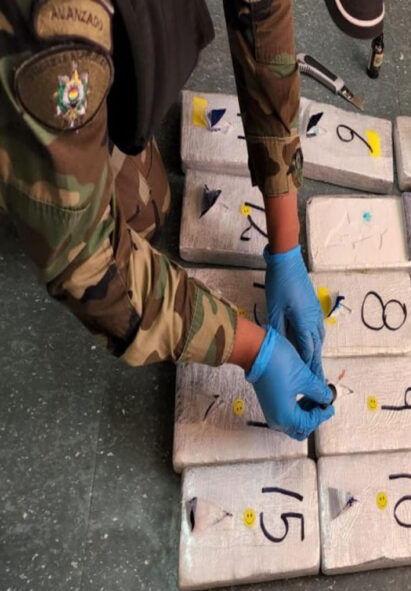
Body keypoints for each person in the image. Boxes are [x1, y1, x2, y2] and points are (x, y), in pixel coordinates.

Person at [0, 0, 337, 440]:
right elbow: (90, 264)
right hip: (29, 55)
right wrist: (253, 352)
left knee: (145, 205)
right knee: (119, 221)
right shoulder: (60, 28)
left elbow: (262, 19)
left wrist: (286, 242)